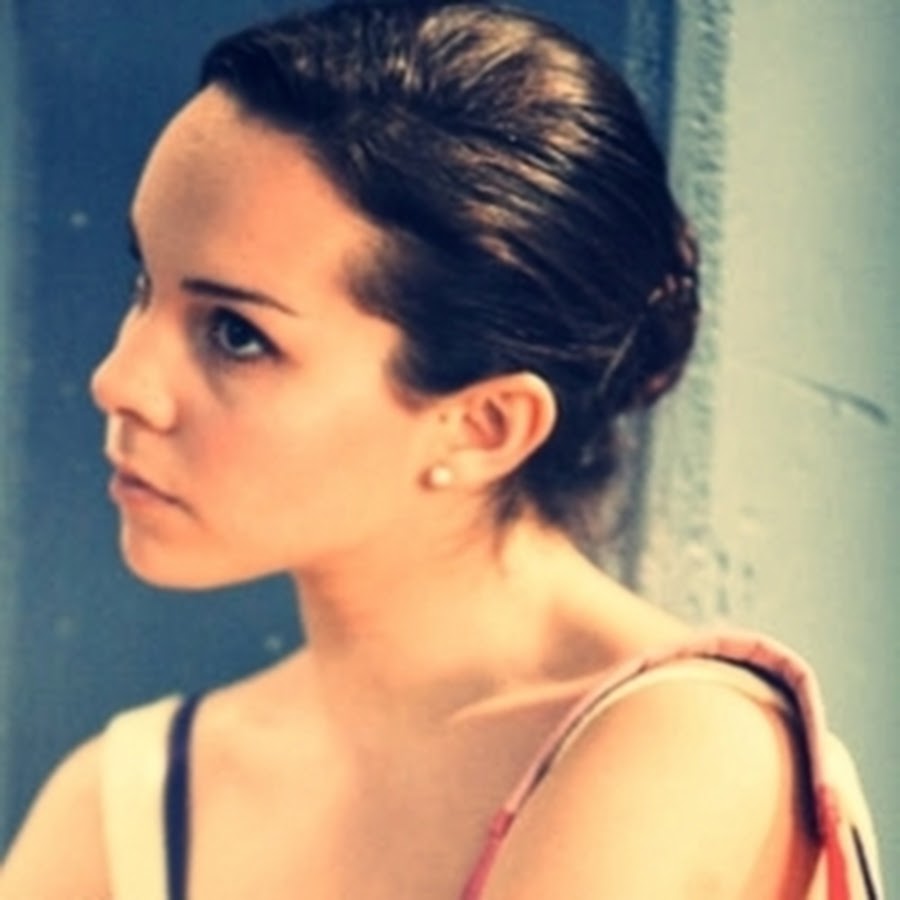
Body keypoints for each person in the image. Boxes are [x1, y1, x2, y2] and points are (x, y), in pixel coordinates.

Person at [0, 1, 878, 898]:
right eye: (144, 286)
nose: (119, 380)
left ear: (484, 425)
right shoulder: (129, 804)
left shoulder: (681, 750)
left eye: (236, 334)